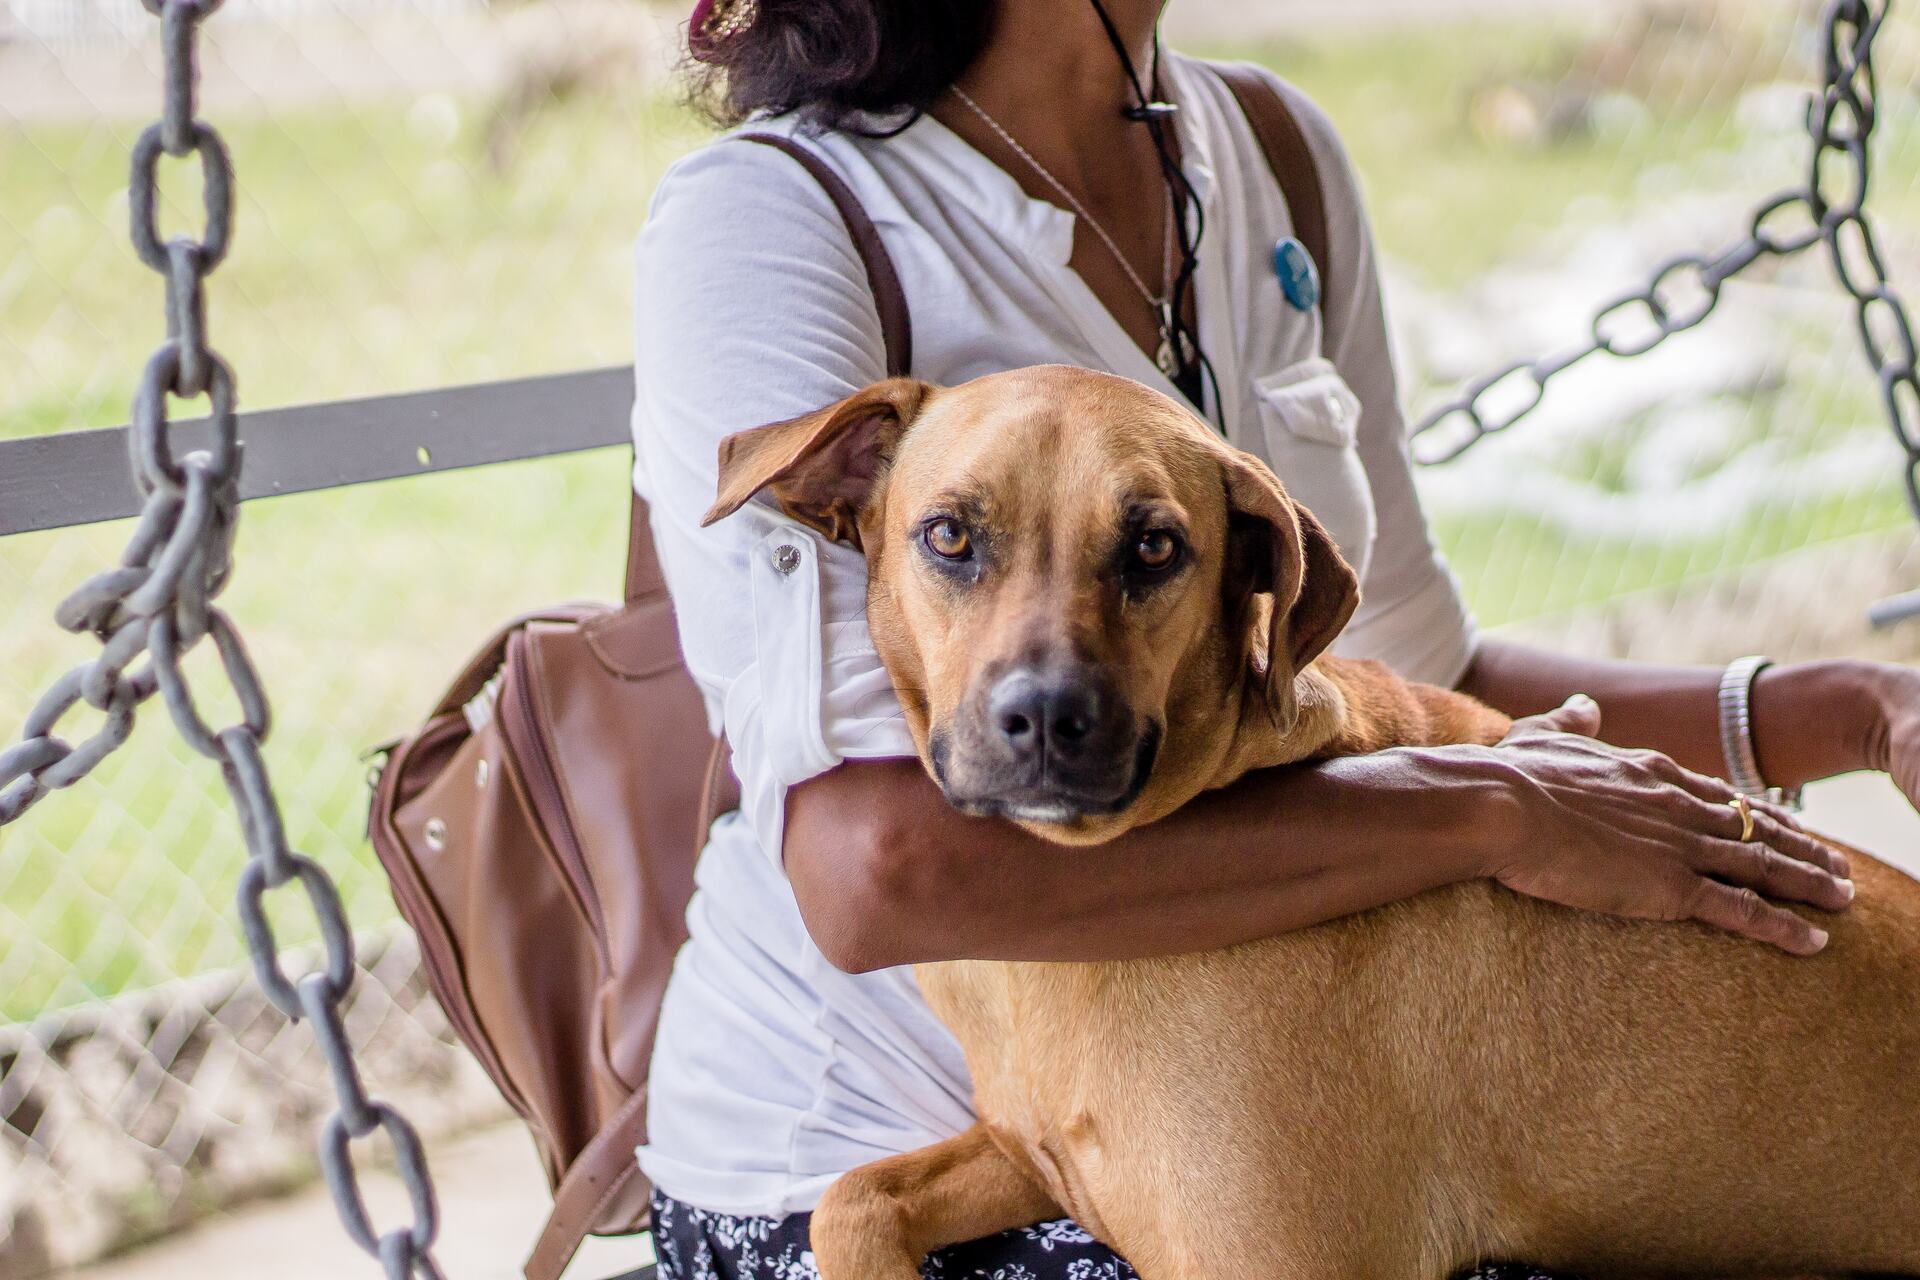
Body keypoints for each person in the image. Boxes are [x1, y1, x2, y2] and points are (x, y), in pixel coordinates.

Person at [629, 2, 1915, 1276]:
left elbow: (1420, 680)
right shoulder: (777, 214)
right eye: (966, 545)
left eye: (1143, 553)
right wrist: (1490, 814)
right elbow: (876, 871)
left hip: (1286, 1070)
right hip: (853, 1132)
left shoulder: (1272, 149)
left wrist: (1853, 710)